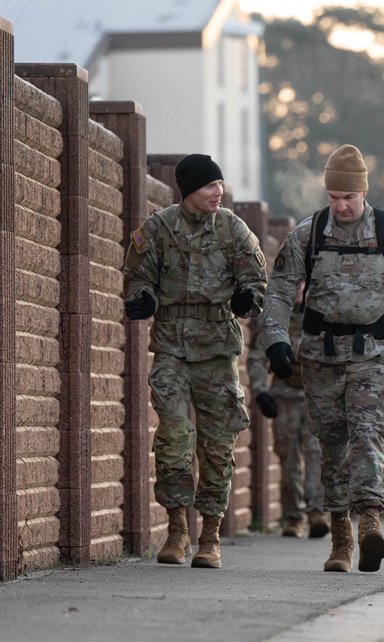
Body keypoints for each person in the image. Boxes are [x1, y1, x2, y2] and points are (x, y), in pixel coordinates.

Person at [260, 144, 384, 573]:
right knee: (332, 445)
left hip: (373, 356)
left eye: (348, 198)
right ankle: (341, 537)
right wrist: (276, 339)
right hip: (320, 357)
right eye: (334, 198)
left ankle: (370, 520)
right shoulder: (308, 234)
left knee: (369, 432)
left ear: (363, 193)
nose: (341, 206)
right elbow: (280, 290)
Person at [123, 153, 268, 569]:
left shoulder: (233, 229)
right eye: (209, 186)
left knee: (218, 446)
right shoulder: (159, 228)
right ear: (188, 191)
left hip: (218, 352)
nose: (218, 192)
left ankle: (209, 536)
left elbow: (256, 278)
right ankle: (175, 531)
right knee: (174, 435)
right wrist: (143, 299)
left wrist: (248, 298)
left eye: (220, 184)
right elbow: (137, 275)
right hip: (171, 347)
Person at [246, 300, 329, 539]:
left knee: (317, 455)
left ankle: (317, 513)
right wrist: (261, 391)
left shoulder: (324, 309)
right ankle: (293, 515)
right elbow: (257, 356)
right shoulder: (275, 316)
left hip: (318, 397)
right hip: (284, 396)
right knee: (288, 457)